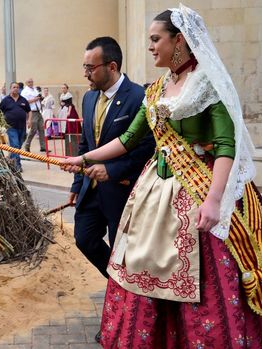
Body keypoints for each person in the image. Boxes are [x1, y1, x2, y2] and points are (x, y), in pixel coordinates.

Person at [61, 6, 262, 348]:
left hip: (202, 190)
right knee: (144, 266)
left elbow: (226, 144)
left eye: (156, 39)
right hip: (157, 196)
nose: (150, 47)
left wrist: (214, 201)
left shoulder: (208, 84)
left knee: (212, 278)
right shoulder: (155, 90)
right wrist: (82, 159)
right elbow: (127, 141)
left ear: (179, 40)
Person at [68, 36, 155, 284]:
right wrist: (76, 184)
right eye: (84, 67)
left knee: (124, 251)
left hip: (122, 192)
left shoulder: (139, 97)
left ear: (112, 66)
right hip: (90, 191)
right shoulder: (88, 98)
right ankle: (117, 284)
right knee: (85, 239)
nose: (85, 74)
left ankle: (126, 299)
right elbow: (85, 144)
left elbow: (148, 147)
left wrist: (114, 170)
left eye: (90, 68)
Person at [0, 82, 30, 172]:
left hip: (22, 127)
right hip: (11, 127)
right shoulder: (6, 100)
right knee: (15, 145)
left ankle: (11, 160)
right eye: (14, 87)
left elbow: (29, 110)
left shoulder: (23, 100)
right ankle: (17, 166)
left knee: (18, 146)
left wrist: (29, 120)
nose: (16, 88)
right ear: (10, 88)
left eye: (17, 87)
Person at [21, 78, 46, 153]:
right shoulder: (24, 91)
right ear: (26, 83)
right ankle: (27, 145)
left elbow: (37, 97)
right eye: (29, 82)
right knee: (33, 130)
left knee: (41, 129)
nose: (30, 83)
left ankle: (43, 147)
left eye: (31, 82)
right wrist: (34, 99)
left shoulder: (34, 89)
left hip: (38, 111)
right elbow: (24, 102)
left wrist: (40, 98)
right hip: (32, 112)